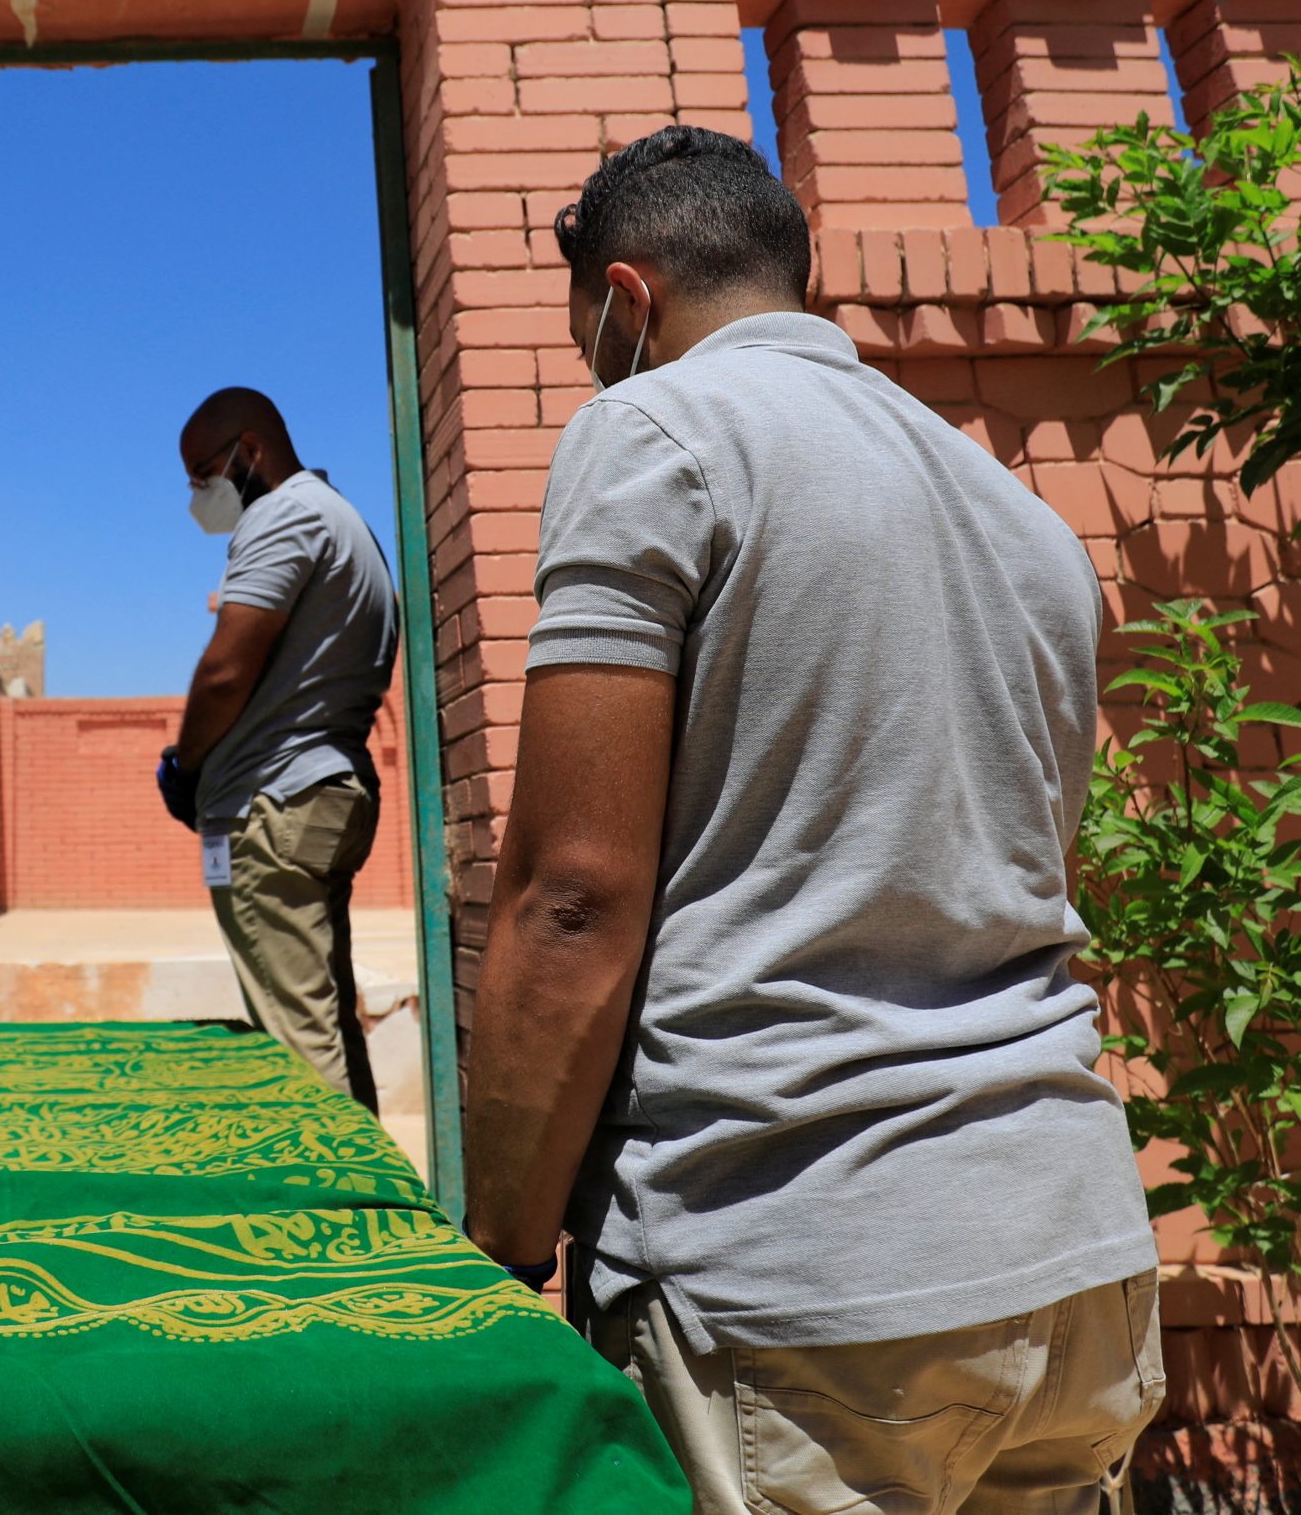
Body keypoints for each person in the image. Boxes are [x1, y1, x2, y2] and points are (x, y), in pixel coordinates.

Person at [463, 125, 1163, 1513]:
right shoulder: (1016, 517)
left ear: (630, 294)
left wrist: (497, 1245)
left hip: (805, 1279)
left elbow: (576, 895)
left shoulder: (656, 429)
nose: (593, 362)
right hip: (1076, 1259)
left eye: (588, 331)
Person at [156, 388, 399, 1110]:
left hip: (274, 803)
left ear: (250, 450)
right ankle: (369, 1204)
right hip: (319, 791)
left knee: (297, 1050)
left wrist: (189, 765)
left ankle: (337, 1218)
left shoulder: (283, 514)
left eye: (205, 472)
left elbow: (227, 667)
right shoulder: (340, 519)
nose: (199, 493)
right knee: (328, 1029)